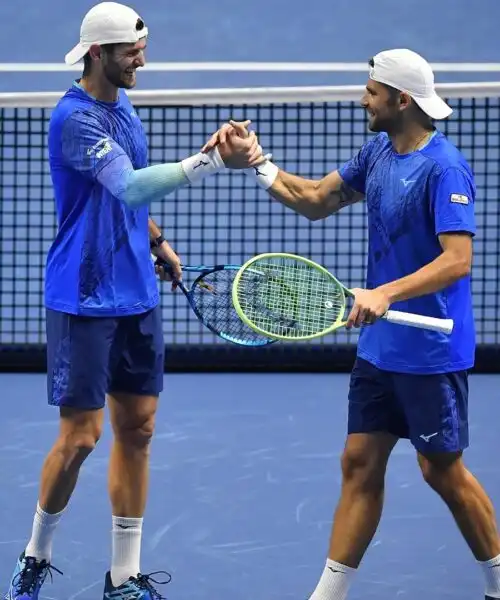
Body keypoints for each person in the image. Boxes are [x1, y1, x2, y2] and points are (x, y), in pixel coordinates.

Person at [204, 48, 500, 600]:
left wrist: (385, 292)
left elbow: (458, 260)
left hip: (430, 354)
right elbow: (316, 199)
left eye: (371, 91)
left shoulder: (444, 167)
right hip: (379, 348)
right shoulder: (379, 152)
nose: (363, 98)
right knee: (360, 462)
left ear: (400, 99)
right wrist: (258, 161)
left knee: (443, 473)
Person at [4, 3, 263, 600]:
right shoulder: (75, 119)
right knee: (80, 439)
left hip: (137, 296)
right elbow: (129, 183)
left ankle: (123, 576)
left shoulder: (125, 110)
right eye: (131, 51)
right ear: (98, 53)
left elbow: (132, 202)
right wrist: (208, 161)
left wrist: (159, 242)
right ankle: (35, 557)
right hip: (85, 296)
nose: (141, 58)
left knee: (138, 430)